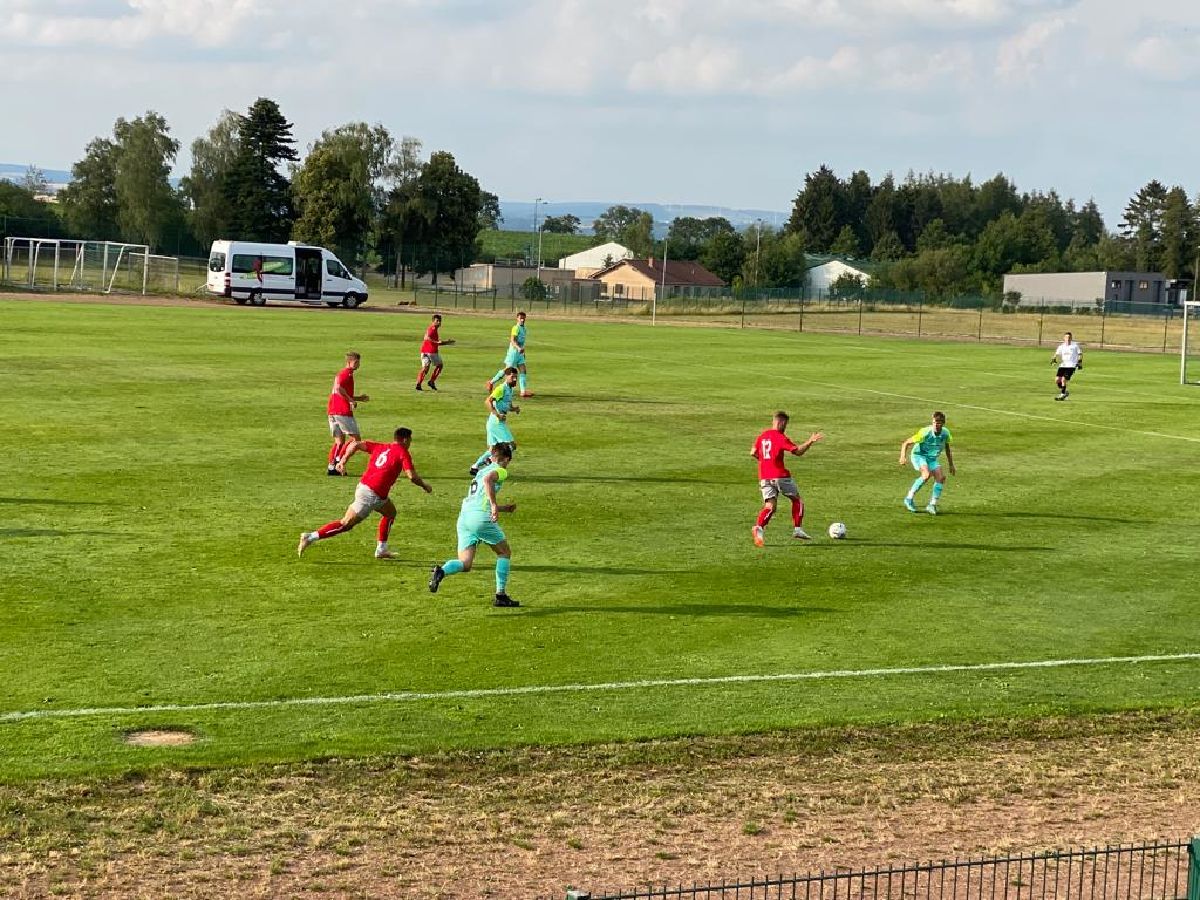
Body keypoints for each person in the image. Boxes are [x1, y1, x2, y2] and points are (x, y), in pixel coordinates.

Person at [298, 427, 432, 560]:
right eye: (410, 440)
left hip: (373, 492)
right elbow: (412, 476)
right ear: (405, 439)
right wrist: (424, 486)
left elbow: (355, 444)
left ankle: (381, 549)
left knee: (390, 513)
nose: (410, 443)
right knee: (346, 524)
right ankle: (310, 537)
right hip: (370, 495)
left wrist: (343, 460)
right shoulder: (402, 452)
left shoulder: (382, 447)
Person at [428, 442, 519, 607]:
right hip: (480, 518)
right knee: (504, 552)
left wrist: (503, 508)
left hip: (464, 518)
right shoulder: (500, 470)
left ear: (491, 457)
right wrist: (493, 505)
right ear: (506, 459)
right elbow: (488, 480)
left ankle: (441, 571)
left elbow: (479, 498)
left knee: (465, 563)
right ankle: (501, 595)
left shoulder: (480, 471)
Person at [750, 411, 824, 546]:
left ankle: (758, 527)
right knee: (797, 500)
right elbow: (797, 451)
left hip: (764, 476)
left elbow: (753, 452)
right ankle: (797, 529)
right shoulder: (780, 437)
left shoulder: (762, 436)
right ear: (782, 422)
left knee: (770, 506)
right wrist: (810, 441)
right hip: (780, 475)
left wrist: (766, 462)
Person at [899, 411, 956, 515]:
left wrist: (951, 464)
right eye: (934, 422)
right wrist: (903, 456)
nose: (936, 424)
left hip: (931, 458)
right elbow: (906, 443)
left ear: (943, 423)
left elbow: (947, 448)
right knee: (926, 475)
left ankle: (932, 505)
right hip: (919, 455)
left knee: (941, 478)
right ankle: (909, 498)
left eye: (939, 423)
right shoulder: (925, 432)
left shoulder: (945, 433)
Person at [326, 351, 369, 476]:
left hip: (333, 410)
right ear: (349, 362)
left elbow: (340, 391)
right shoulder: (346, 374)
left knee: (339, 441)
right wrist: (350, 400)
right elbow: (339, 388)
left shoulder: (344, 374)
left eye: (358, 362)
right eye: (356, 362)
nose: (358, 364)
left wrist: (359, 398)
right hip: (342, 411)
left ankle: (331, 466)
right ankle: (339, 461)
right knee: (356, 439)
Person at [470, 367, 520, 475]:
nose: (515, 379)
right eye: (512, 377)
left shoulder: (510, 389)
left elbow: (507, 405)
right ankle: (492, 462)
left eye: (516, 377)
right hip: (496, 423)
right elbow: (488, 401)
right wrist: (497, 415)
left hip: (494, 422)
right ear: (506, 377)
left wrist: (514, 409)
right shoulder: (501, 388)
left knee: (493, 449)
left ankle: (475, 466)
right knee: (511, 445)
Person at [487, 311, 532, 397]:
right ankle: (491, 382)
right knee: (507, 370)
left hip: (520, 354)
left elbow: (522, 343)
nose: (522, 320)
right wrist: (518, 348)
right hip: (513, 353)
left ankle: (523, 392)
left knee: (523, 370)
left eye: (523, 318)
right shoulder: (516, 328)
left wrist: (523, 353)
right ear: (517, 319)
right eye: (520, 318)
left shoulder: (524, 329)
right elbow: (513, 340)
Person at [415, 314, 455, 391]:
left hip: (424, 351)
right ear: (433, 321)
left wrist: (445, 342)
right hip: (431, 352)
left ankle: (418, 384)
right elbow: (427, 338)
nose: (439, 322)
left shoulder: (431, 328)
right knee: (440, 366)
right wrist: (442, 342)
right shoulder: (432, 329)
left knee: (425, 368)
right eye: (437, 321)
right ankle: (431, 381)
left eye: (440, 321)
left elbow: (431, 340)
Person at [1051, 331, 1083, 401]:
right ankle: (1065, 392)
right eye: (1066, 337)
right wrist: (1053, 359)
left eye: (1069, 337)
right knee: (1057, 380)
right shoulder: (1061, 346)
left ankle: (1062, 394)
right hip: (1063, 365)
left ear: (1071, 338)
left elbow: (1080, 354)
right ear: (1064, 338)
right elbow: (1056, 354)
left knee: (1063, 379)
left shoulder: (1075, 346)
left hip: (1071, 365)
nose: (1068, 339)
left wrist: (1079, 362)